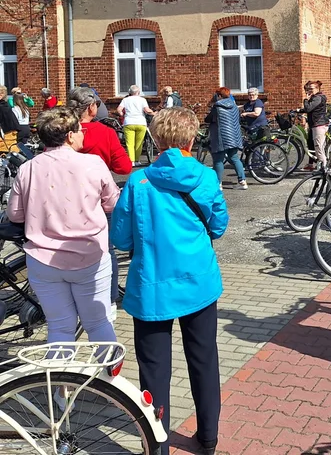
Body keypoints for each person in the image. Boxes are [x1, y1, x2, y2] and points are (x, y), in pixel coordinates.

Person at [111, 107, 228, 455]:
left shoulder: (139, 181)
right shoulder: (206, 178)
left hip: (152, 286)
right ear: (191, 139)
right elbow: (219, 226)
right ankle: (208, 436)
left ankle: (157, 443)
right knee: (205, 359)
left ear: (156, 140)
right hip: (198, 283)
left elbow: (121, 238)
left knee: (154, 370)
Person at [7, 107, 119, 344]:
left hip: (43, 260)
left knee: (59, 328)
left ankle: (59, 380)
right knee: (98, 323)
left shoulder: (28, 168)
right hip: (89, 256)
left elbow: (15, 215)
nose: (83, 135)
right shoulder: (93, 163)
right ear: (69, 135)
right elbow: (112, 204)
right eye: (80, 130)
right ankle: (109, 377)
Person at [69, 86, 131, 320]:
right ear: (92, 108)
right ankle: (110, 299)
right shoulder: (105, 133)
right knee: (106, 250)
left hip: (66, 202)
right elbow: (124, 167)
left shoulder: (62, 131)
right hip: (97, 201)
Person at [205, 87, 247, 190]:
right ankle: (243, 182)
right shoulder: (234, 106)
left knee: (218, 160)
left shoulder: (217, 106)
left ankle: (218, 184)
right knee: (235, 158)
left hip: (221, 136)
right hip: (233, 136)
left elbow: (209, 119)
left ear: (219, 96)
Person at [117, 85, 154, 167]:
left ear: (129, 92)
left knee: (130, 143)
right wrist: (154, 113)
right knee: (139, 143)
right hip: (141, 122)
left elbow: (119, 109)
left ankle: (131, 161)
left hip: (129, 122)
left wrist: (121, 113)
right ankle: (137, 160)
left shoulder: (125, 100)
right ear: (138, 92)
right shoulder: (142, 100)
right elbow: (147, 110)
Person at [298, 81, 329, 170]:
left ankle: (323, 169)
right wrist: (298, 110)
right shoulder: (315, 97)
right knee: (311, 144)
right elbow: (310, 109)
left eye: (311, 89)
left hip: (319, 125)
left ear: (317, 88)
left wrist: (305, 99)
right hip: (314, 124)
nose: (309, 91)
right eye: (308, 89)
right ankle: (311, 164)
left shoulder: (318, 98)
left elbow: (308, 108)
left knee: (318, 149)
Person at [0, 85, 21, 152]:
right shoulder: (6, 106)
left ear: (1, 95)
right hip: (10, 136)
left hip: (5, 139)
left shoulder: (2, 107)